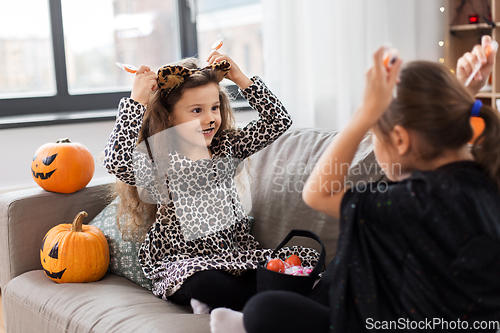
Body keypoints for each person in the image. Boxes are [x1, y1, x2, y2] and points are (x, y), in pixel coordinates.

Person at [210, 36, 500, 333]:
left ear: (400, 140)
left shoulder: (410, 201)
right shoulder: (484, 178)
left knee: (264, 309)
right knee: (340, 261)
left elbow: (316, 192)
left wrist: (365, 113)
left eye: (373, 135)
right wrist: (461, 96)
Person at [103, 51, 319, 313]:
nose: (210, 118)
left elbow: (278, 121)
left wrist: (240, 78)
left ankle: (253, 300)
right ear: (169, 117)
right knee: (203, 281)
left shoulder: (228, 145)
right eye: (197, 110)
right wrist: (136, 101)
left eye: (214, 108)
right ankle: (246, 303)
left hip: (233, 256)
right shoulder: (161, 159)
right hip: (185, 262)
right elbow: (116, 161)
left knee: (305, 259)